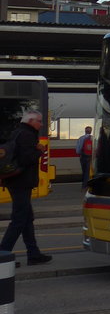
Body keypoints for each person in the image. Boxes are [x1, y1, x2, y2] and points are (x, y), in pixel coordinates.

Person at [0, 109, 52, 265]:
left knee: (27, 219)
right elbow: (25, 159)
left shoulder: (16, 132)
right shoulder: (27, 135)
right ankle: (3, 255)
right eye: (39, 121)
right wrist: (40, 151)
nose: (41, 124)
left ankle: (33, 254)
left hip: (15, 181)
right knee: (18, 220)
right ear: (30, 121)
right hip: (21, 183)